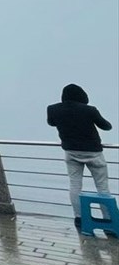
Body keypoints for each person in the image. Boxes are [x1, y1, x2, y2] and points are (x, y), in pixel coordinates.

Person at [47, 83, 114, 229]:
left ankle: (79, 218)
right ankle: (109, 219)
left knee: (75, 185)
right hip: (93, 152)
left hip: (71, 152)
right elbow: (106, 126)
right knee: (102, 187)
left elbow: (51, 123)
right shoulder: (89, 110)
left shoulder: (53, 109)